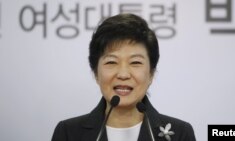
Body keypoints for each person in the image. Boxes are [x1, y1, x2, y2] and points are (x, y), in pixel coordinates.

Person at [51, 13, 196, 141]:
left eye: (135, 62)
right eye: (111, 62)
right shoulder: (68, 133)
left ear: (151, 74)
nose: (123, 74)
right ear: (96, 73)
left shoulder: (180, 134)